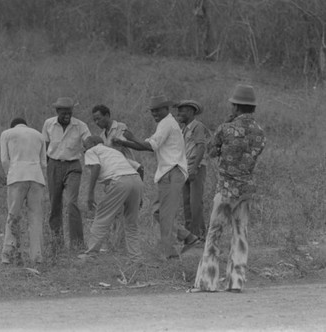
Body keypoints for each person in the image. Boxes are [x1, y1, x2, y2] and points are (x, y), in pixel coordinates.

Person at [190, 84, 265, 293]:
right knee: (241, 233)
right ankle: (236, 282)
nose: (231, 108)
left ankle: (207, 282)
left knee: (214, 233)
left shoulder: (226, 128)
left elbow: (212, 151)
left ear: (238, 107)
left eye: (233, 105)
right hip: (247, 189)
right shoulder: (260, 132)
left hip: (226, 189)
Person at [113, 95, 201, 260]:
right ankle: (187, 237)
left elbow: (149, 146)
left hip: (172, 171)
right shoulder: (165, 124)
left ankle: (170, 254)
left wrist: (129, 139)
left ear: (166, 109)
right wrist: (125, 142)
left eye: (157, 110)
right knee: (157, 211)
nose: (154, 114)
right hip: (168, 172)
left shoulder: (167, 123)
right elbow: (147, 146)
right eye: (152, 111)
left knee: (165, 214)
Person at [77, 136, 144, 263]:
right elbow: (139, 168)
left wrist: (90, 193)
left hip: (119, 181)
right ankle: (136, 258)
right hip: (136, 180)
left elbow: (96, 166)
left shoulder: (92, 150)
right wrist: (140, 195)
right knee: (131, 221)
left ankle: (91, 254)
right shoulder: (114, 152)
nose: (84, 150)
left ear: (93, 143)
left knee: (102, 215)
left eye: (85, 147)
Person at [91, 104, 144, 251]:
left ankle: (120, 244)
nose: (97, 122)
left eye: (99, 118)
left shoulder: (121, 127)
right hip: (112, 175)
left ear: (107, 115)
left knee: (124, 212)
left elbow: (133, 143)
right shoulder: (102, 136)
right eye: (95, 120)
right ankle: (112, 244)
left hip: (127, 169)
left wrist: (121, 142)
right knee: (114, 211)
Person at [42, 97, 91, 250]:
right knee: (55, 204)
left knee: (71, 203)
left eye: (69, 112)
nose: (67, 115)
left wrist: (90, 148)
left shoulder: (80, 126)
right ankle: (57, 243)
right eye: (64, 113)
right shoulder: (48, 124)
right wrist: (44, 165)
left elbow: (88, 141)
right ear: (57, 112)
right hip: (54, 165)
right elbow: (44, 146)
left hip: (73, 166)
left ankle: (77, 244)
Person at [0, 118, 46, 265]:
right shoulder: (39, 135)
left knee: (13, 215)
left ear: (12, 125)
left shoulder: (7, 134)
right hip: (36, 177)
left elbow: (4, 160)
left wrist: (9, 174)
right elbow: (44, 162)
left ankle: (8, 255)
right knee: (36, 217)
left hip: (17, 176)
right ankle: (36, 256)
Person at [175, 100, 211, 238]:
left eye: (182, 111)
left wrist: (194, 168)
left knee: (195, 202)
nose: (179, 114)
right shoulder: (184, 129)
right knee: (187, 202)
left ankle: (199, 235)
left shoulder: (197, 126)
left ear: (191, 112)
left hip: (196, 167)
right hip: (185, 167)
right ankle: (191, 235)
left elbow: (201, 147)